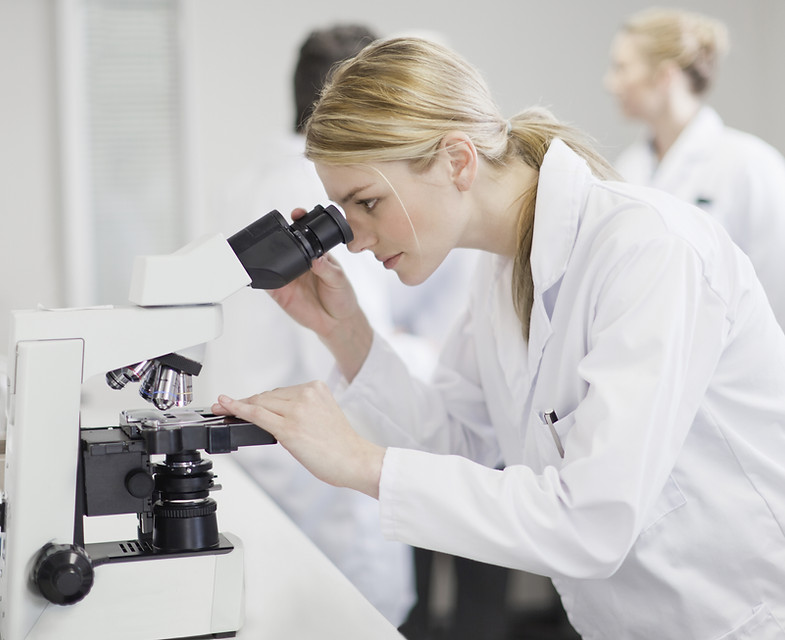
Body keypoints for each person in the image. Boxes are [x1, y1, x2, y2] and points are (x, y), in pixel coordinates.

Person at [211, 37, 785, 639]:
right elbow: (461, 444)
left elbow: (591, 523)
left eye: (368, 202)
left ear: (458, 160)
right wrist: (345, 331)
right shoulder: (503, 269)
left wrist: (359, 463)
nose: (353, 240)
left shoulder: (649, 251)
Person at [604, 7, 785, 330]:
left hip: (733, 370)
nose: (610, 83)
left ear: (664, 77)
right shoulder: (627, 169)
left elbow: (777, 289)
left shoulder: (752, 165)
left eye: (621, 68)